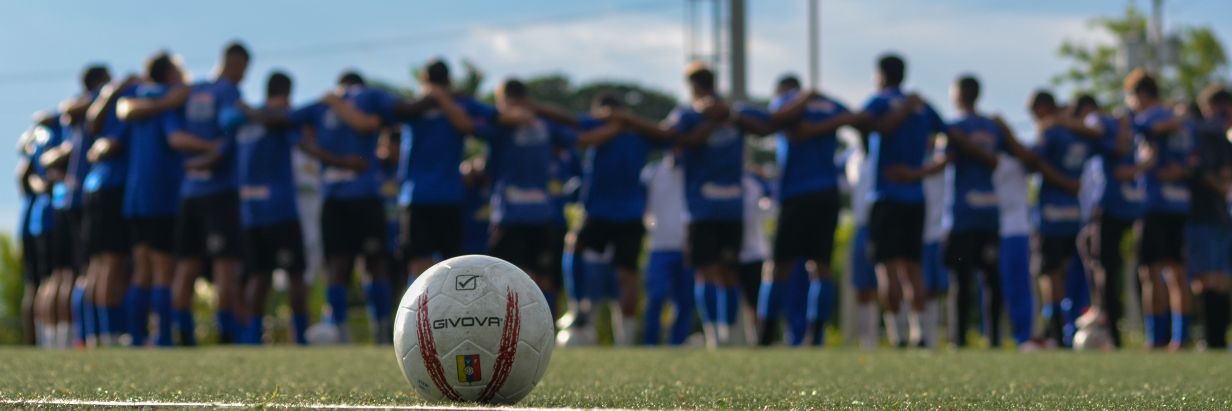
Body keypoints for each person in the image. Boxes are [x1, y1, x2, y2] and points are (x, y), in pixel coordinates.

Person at [533, 93, 671, 345]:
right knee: (622, 272)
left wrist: (622, 122)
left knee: (600, 260)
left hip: (611, 211)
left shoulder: (618, 129)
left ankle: (582, 309)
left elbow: (666, 135)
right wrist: (626, 121)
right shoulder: (632, 131)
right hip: (616, 212)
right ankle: (606, 326)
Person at [662, 63, 769, 347]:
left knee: (708, 272)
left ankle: (716, 334)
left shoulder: (699, 113)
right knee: (726, 273)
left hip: (704, 208)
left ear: (692, 85)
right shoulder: (700, 114)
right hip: (729, 207)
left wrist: (726, 117)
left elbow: (766, 126)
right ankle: (724, 333)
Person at [295, 71, 396, 343]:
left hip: (364, 195)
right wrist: (336, 160)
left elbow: (368, 125)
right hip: (338, 199)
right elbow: (294, 132)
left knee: (370, 262)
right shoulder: (319, 109)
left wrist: (337, 102)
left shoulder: (359, 102)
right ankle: (341, 329)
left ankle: (381, 329)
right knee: (342, 265)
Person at [757, 75, 856, 346]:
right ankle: (815, 334)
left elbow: (775, 119)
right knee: (820, 267)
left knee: (780, 267)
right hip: (826, 194)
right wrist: (828, 124)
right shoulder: (824, 103)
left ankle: (768, 335)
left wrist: (807, 114)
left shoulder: (789, 100)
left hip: (798, 194)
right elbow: (852, 117)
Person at [857, 54, 948, 347]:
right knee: (911, 269)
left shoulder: (882, 101)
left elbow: (872, 126)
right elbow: (950, 141)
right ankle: (918, 332)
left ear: (881, 75)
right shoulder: (921, 105)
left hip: (888, 197)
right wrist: (922, 171)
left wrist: (915, 172)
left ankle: (902, 335)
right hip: (913, 198)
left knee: (891, 269)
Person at [165, 42, 250, 345]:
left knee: (186, 266)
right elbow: (229, 132)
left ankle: (182, 335)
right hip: (218, 193)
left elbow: (174, 138)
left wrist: (194, 160)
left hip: (190, 191)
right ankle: (226, 336)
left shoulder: (188, 91)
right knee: (225, 266)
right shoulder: (228, 91)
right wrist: (209, 154)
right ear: (236, 63)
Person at [478, 79, 577, 322]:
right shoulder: (545, 124)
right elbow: (574, 128)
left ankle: (502, 331)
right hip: (541, 215)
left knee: (501, 280)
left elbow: (473, 126)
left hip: (509, 215)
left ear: (503, 98)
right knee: (544, 278)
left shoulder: (500, 125)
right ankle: (546, 330)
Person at [115, 51, 190, 347]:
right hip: (161, 193)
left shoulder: (140, 97)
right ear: (170, 73)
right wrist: (212, 146)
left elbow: (123, 111)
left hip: (135, 196)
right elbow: (176, 140)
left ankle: (135, 337)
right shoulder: (167, 101)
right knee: (163, 269)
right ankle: (163, 337)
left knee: (142, 269)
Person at [233, 72, 310, 345]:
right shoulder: (279, 118)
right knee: (295, 274)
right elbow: (302, 144)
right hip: (280, 210)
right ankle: (300, 337)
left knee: (259, 276)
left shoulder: (242, 122)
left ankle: (254, 336)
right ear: (287, 93)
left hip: (251, 212)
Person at [1126, 69, 1192, 350]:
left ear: (1140, 94)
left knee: (1150, 273)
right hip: (1180, 202)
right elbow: (1193, 160)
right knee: (1176, 271)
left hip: (1154, 204)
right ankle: (1180, 337)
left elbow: (1137, 129)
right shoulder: (1182, 121)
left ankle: (1157, 337)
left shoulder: (1150, 118)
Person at [1072, 94, 1143, 348]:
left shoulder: (1100, 121)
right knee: (1091, 252)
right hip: (1118, 206)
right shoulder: (1122, 124)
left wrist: (1061, 122)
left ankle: (1108, 321)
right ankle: (1101, 311)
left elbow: (1118, 146)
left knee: (1107, 268)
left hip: (1113, 206)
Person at [944, 76, 1006, 348]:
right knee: (991, 278)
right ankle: (993, 338)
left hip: (963, 214)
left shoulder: (954, 127)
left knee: (961, 279)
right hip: (990, 210)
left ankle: (959, 339)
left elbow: (941, 160)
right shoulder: (992, 127)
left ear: (958, 94)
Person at [1028, 90, 1090, 348]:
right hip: (1075, 214)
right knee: (1066, 273)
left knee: (1049, 274)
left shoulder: (1051, 133)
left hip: (1052, 214)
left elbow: (1033, 161)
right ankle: (1066, 329)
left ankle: (1055, 333)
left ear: (1043, 108)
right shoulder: (1078, 133)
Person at [83, 72, 142, 346]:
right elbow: (108, 144)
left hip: (95, 188)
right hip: (111, 188)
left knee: (99, 266)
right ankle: (108, 334)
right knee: (112, 263)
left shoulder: (102, 103)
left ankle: (95, 334)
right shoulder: (124, 103)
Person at [1187, 86, 1232, 349]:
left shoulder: (1225, 141)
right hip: (1202, 216)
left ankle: (1217, 338)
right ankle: (1210, 338)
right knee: (1205, 279)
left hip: (1221, 217)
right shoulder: (1200, 137)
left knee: (1222, 279)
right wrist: (1220, 182)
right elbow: (1204, 174)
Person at [640, 154, 694, 346]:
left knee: (684, 301)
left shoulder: (693, 169)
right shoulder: (652, 172)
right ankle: (651, 343)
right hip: (659, 246)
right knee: (656, 296)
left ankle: (677, 342)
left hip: (686, 246)